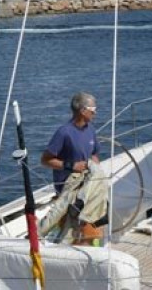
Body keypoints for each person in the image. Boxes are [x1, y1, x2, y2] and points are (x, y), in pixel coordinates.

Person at [40, 92, 108, 245]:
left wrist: (95, 169)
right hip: (68, 185)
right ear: (83, 110)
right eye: (93, 109)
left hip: (86, 184)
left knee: (100, 198)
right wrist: (71, 166)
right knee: (75, 229)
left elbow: (94, 155)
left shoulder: (91, 130)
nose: (95, 112)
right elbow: (45, 160)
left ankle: (88, 234)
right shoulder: (64, 133)